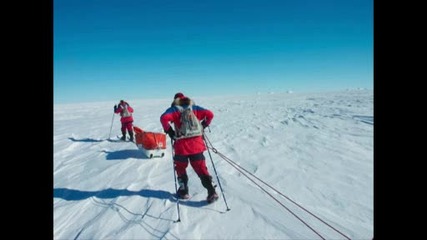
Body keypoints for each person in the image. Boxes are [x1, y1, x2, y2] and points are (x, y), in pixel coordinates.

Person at [160, 94, 218, 203]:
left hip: (181, 147)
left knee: (180, 168)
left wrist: (170, 132)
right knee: (201, 169)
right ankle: (211, 191)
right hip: (197, 145)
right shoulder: (194, 108)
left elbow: (163, 118)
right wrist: (203, 125)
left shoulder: (174, 110)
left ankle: (183, 191)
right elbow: (210, 114)